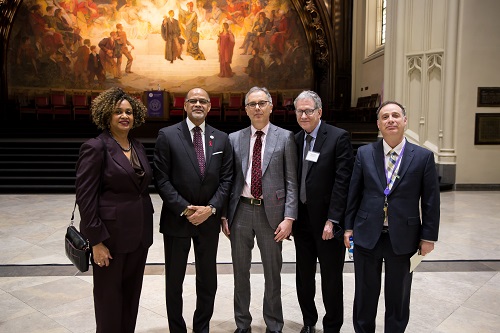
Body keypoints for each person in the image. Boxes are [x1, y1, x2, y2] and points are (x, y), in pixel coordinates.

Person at [343, 101, 440, 333]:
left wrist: (428, 237)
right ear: (378, 124)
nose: (391, 120)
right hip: (367, 235)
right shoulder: (365, 153)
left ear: (405, 121)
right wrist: (348, 228)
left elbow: (430, 201)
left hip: (404, 236)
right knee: (365, 294)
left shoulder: (423, 157)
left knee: (398, 295)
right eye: (385, 117)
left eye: (396, 115)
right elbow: (353, 193)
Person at [153, 88, 233, 333]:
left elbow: (227, 179)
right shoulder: (167, 135)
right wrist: (186, 209)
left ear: (210, 107)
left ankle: (202, 327)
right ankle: (177, 328)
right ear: (184, 106)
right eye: (193, 101)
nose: (198, 104)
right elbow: (161, 179)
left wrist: (210, 209)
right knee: (174, 281)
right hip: (178, 220)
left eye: (203, 101)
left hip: (208, 221)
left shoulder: (221, 138)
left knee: (207, 280)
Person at [75, 87, 154, 333]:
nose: (124, 116)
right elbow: (85, 199)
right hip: (110, 238)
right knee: (109, 300)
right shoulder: (95, 147)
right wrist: (96, 241)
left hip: (139, 236)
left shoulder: (137, 146)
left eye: (129, 112)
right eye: (118, 111)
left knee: (131, 298)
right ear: (106, 115)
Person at [222, 86, 298, 333]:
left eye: (262, 103)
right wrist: (224, 214)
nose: (257, 108)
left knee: (273, 274)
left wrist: (289, 217)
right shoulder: (234, 138)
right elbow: (229, 180)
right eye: (252, 104)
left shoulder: (285, 137)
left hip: (272, 214)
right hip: (241, 212)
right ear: (245, 109)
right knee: (240, 273)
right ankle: (242, 324)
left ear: (270, 106)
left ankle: (274, 324)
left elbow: (291, 181)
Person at [293, 90, 354, 333]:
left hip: (328, 222)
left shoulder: (338, 137)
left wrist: (333, 219)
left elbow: (343, 181)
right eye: (300, 111)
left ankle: (332, 326)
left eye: (309, 110)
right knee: (304, 276)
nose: (304, 115)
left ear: (319, 112)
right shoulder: (295, 139)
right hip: (302, 221)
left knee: (330, 278)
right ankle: (309, 321)